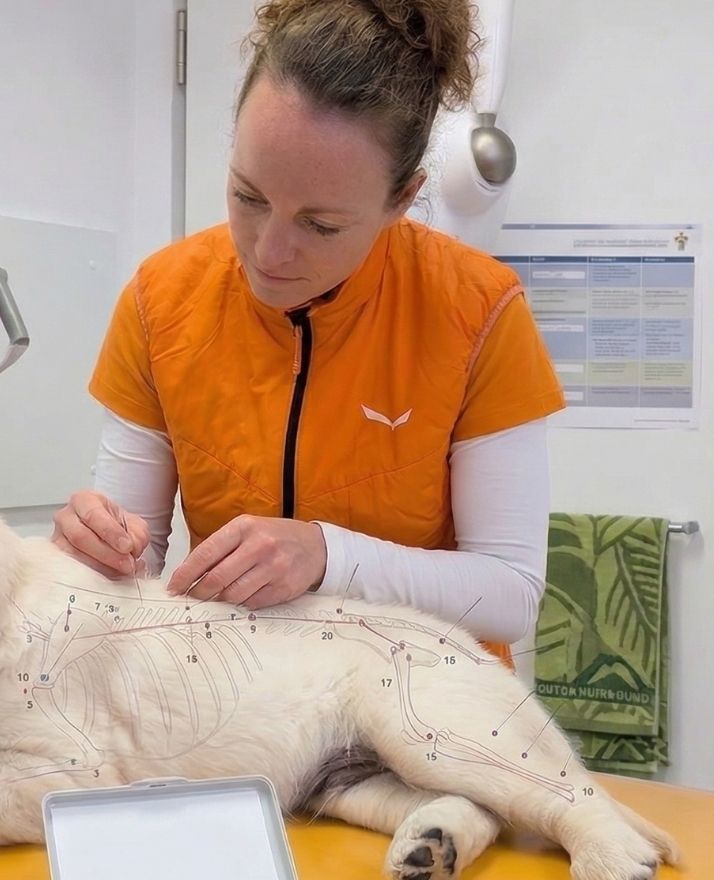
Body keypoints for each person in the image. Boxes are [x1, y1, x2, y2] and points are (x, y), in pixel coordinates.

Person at [51, 0, 564, 660]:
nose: (268, 252)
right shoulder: (162, 299)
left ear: (401, 200)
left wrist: (327, 556)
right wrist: (95, 555)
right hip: (237, 700)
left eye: (320, 226)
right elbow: (135, 562)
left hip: (424, 702)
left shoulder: (479, 311)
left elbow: (511, 593)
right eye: (248, 195)